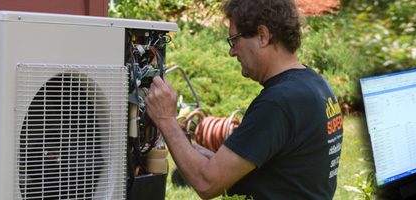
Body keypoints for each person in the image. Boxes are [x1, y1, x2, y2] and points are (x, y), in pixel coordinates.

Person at [144, 0, 344, 199]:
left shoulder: (277, 103)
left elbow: (206, 183)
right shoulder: (316, 84)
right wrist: (188, 148)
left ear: (263, 36)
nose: (232, 52)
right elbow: (270, 172)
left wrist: (165, 119)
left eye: (234, 40)